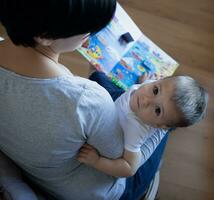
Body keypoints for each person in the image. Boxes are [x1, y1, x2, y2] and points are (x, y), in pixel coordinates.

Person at [0, 0, 174, 199]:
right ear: (45, 36)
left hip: (33, 170)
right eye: (87, 30)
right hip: (99, 192)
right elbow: (122, 160)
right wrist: (161, 127)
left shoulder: (84, 100)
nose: (89, 36)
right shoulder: (85, 99)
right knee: (171, 109)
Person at [78, 71, 208, 177]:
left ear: (159, 126)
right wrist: (142, 83)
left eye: (158, 110)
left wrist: (97, 161)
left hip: (114, 130)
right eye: (155, 90)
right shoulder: (151, 85)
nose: (146, 100)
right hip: (116, 107)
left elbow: (129, 168)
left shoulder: (136, 130)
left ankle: (156, 161)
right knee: (98, 75)